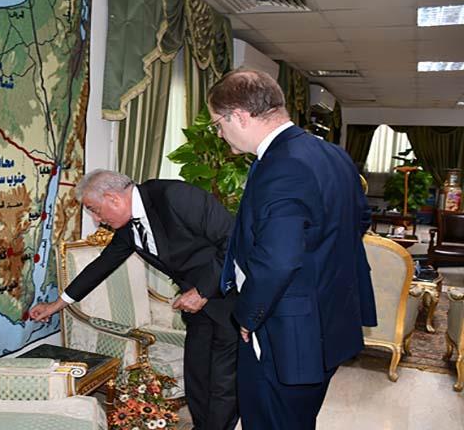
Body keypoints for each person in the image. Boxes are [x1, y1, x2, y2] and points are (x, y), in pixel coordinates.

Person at [208, 68, 377, 430]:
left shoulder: (281, 165)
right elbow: (358, 220)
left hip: (286, 331)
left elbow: (279, 260)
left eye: (218, 124)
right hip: (329, 320)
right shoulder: (332, 154)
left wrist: (248, 316)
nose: (219, 134)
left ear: (239, 116)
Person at [29, 169, 238, 430]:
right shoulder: (130, 227)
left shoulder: (174, 196)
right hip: (195, 307)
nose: (96, 220)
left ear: (113, 198)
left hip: (228, 299)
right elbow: (100, 267)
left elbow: (235, 241)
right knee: (197, 375)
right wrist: (56, 305)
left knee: (223, 380)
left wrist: (202, 291)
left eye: (95, 210)